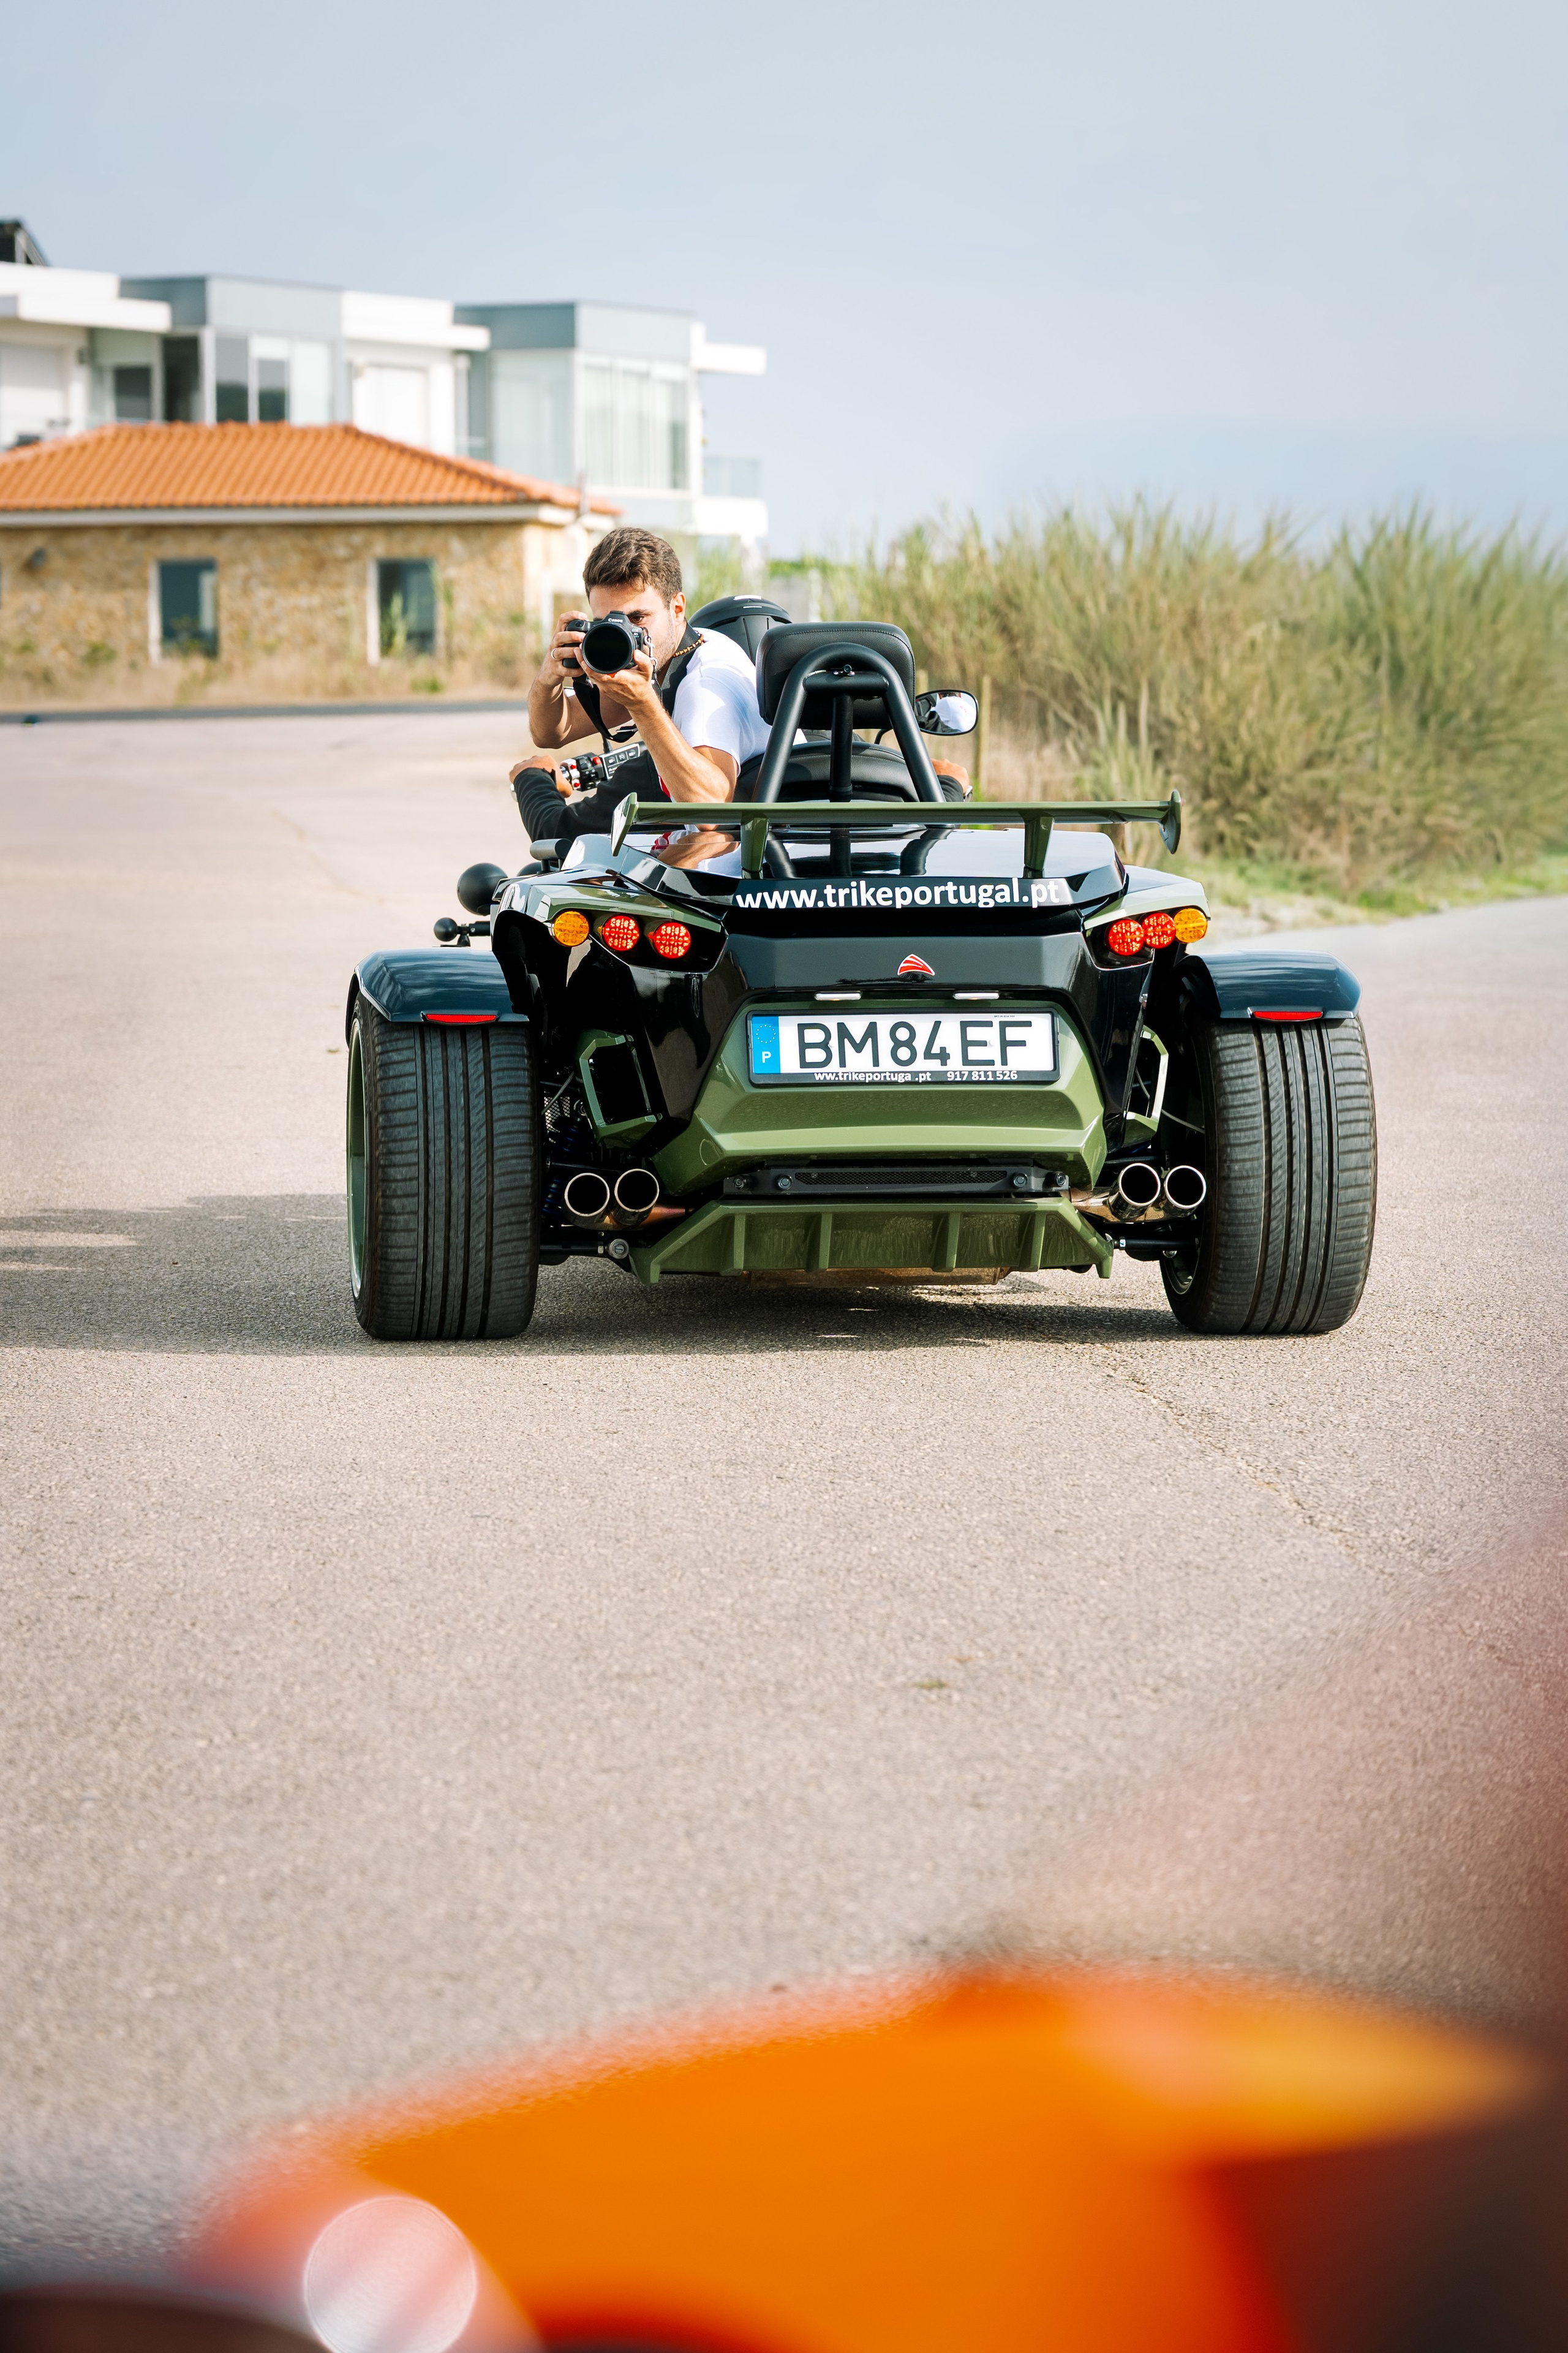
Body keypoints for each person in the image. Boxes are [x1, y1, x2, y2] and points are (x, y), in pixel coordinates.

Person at [511, 527, 767, 851]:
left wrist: (644, 705)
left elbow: (709, 811)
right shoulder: (677, 652)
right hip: (740, 848)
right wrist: (549, 678)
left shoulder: (702, 684)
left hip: (737, 858)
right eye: (607, 622)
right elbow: (551, 733)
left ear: (677, 608)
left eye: (638, 618)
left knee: (566, 845)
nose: (623, 633)